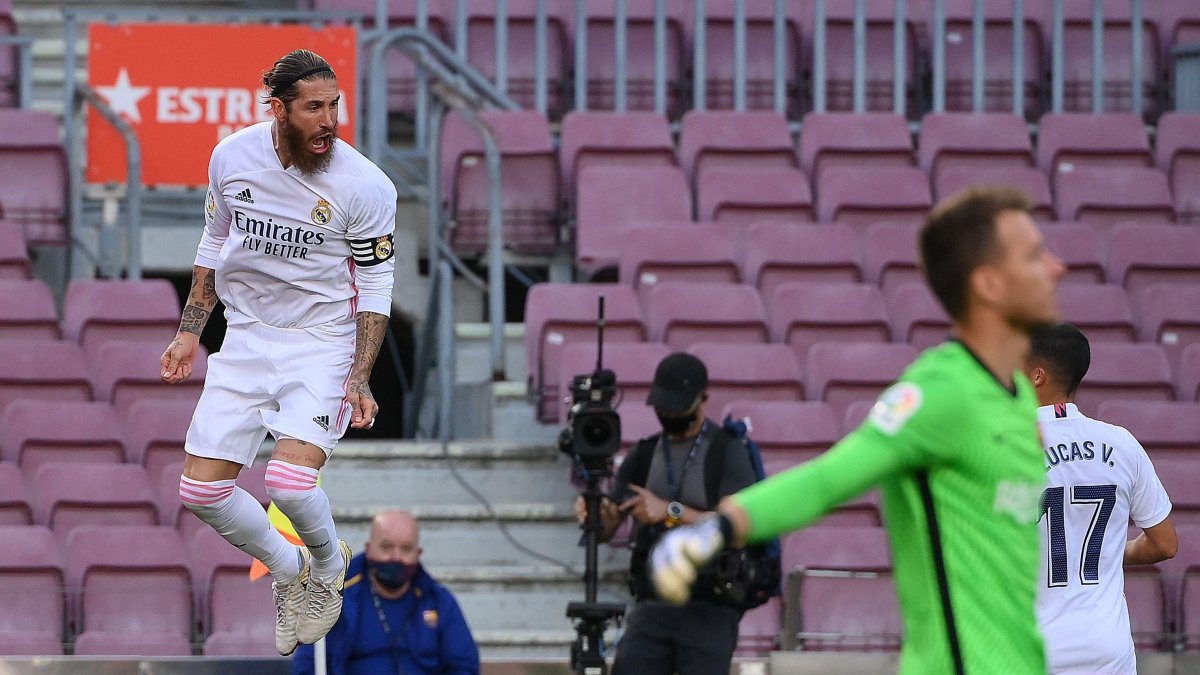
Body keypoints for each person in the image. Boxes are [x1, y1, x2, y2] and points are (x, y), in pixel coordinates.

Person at [651, 187, 1067, 674]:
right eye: (1036, 255)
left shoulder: (1016, 396)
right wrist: (718, 527)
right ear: (989, 285)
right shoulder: (940, 392)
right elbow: (831, 476)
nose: (1057, 268)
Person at [160, 49, 398, 656]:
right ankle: (289, 569)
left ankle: (325, 569)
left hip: (321, 343)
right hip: (243, 337)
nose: (328, 120)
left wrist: (361, 377)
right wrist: (192, 328)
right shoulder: (231, 157)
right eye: (313, 108)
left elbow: (375, 284)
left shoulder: (365, 185)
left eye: (334, 106)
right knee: (200, 493)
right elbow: (215, 240)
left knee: (289, 484)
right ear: (279, 109)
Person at [574, 352, 759, 675]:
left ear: (703, 399)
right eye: (663, 407)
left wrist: (670, 512)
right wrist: (596, 516)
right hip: (654, 602)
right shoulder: (645, 455)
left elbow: (739, 525)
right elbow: (608, 526)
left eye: (678, 407)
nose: (669, 413)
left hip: (710, 601)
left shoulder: (727, 451)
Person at [1025, 322, 1177, 674]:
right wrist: (1110, 553)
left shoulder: (1007, 448)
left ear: (1036, 376)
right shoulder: (1121, 443)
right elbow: (1165, 544)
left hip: (1033, 648)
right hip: (1107, 649)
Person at [292, 510, 481, 675]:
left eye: (406, 548)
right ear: (368, 549)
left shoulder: (439, 600)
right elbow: (308, 665)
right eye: (386, 547)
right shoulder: (335, 597)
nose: (396, 557)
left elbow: (465, 666)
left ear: (418, 552)